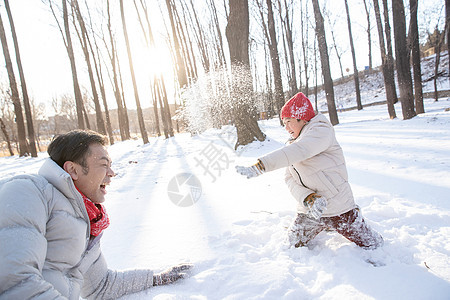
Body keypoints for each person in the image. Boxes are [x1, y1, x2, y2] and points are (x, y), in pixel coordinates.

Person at [0, 130, 191, 299]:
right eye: (103, 164)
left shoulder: (85, 220)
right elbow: (15, 282)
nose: (112, 173)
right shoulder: (27, 191)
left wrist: (154, 278)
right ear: (73, 170)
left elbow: (101, 286)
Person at [236, 92, 383, 250]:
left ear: (301, 118)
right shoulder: (292, 145)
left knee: (372, 244)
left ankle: (351, 219)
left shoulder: (320, 131)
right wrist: (308, 198)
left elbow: (301, 150)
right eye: (283, 123)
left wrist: (262, 165)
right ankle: (322, 221)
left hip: (338, 207)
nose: (286, 127)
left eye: (288, 121)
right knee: (294, 242)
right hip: (311, 210)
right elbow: (289, 179)